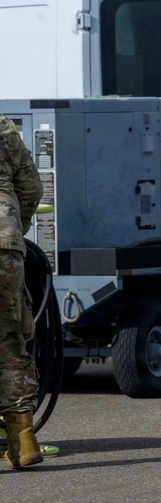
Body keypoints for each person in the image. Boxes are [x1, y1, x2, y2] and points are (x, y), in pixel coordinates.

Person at [0, 114, 43, 470]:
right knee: (9, 336)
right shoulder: (3, 126)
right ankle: (23, 439)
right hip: (4, 243)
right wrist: (15, 228)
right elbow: (31, 188)